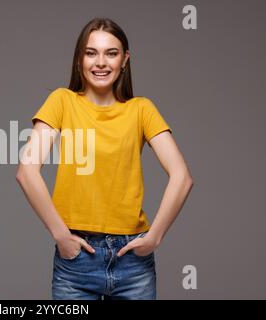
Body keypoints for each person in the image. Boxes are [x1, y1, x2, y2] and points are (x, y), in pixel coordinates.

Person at [15, 17, 194, 300]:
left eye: (111, 53)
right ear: (79, 60)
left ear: (124, 60)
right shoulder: (62, 101)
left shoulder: (141, 109)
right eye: (91, 53)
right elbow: (26, 172)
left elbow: (182, 177)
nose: (101, 62)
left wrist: (155, 236)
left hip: (133, 263)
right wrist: (60, 235)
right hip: (76, 262)